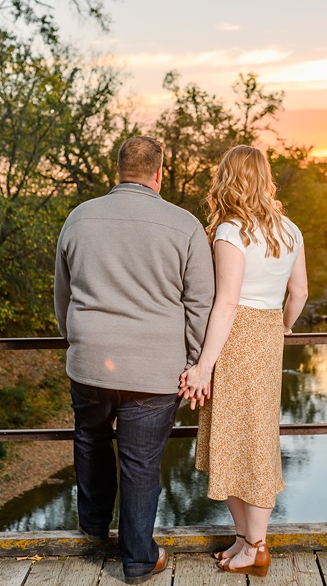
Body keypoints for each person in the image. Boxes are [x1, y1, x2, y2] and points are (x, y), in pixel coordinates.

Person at [54, 136, 215, 585]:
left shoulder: (79, 217)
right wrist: (195, 362)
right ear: (160, 174)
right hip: (155, 370)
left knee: (90, 437)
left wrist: (75, 340)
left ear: (118, 170)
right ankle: (139, 560)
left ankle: (92, 528)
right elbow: (201, 304)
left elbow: (62, 294)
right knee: (141, 462)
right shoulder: (184, 225)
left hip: (89, 359)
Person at [180, 144, 308, 577]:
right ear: (264, 177)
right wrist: (284, 327)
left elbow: (228, 302)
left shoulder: (231, 231)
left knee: (238, 439)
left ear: (227, 180)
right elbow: (301, 294)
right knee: (254, 436)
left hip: (235, 341)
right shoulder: (290, 229)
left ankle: (256, 547)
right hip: (269, 335)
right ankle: (243, 540)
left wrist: (201, 365)